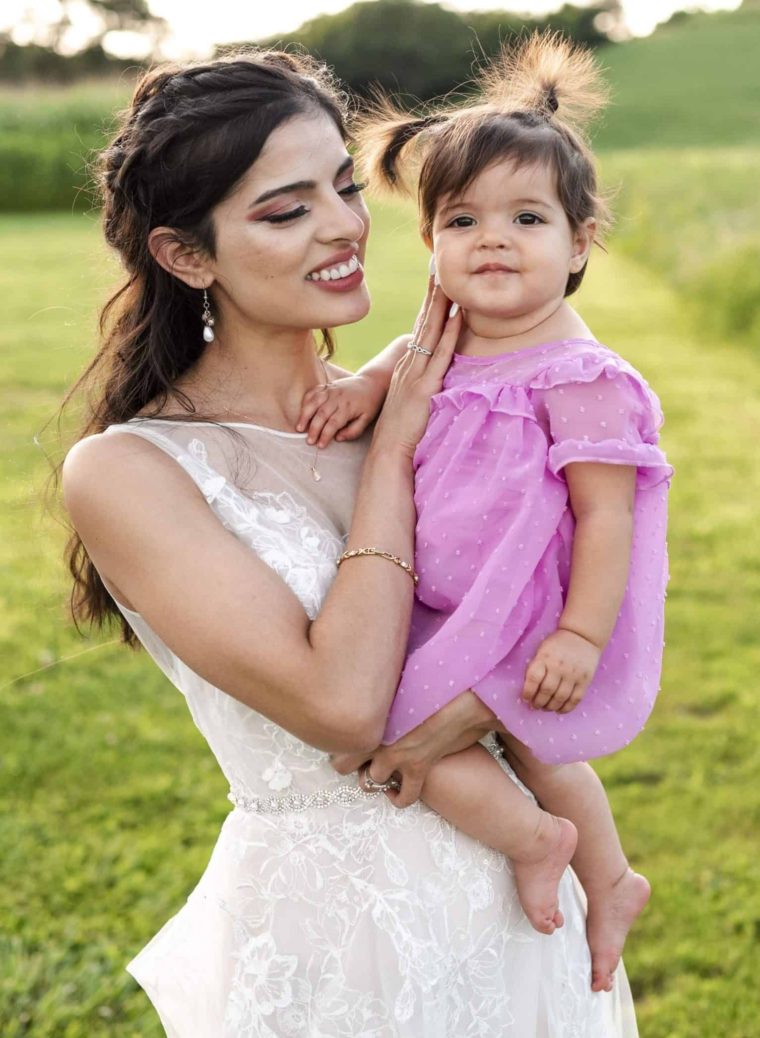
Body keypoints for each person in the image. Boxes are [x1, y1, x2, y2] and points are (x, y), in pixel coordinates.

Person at [60, 48, 638, 1035]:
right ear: (185, 254)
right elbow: (341, 703)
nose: (342, 227)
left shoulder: (439, 390)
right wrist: (392, 445)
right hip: (347, 944)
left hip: (523, 917)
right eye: (284, 211)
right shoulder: (128, 471)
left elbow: (552, 581)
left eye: (341, 185)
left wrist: (502, 694)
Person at [299, 33, 673, 994]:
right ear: (430, 245)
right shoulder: (441, 338)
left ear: (580, 240)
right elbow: (399, 362)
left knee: (474, 739)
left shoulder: (581, 376)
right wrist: (361, 391)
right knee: (411, 719)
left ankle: (551, 844)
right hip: (442, 596)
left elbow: (608, 520)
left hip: (528, 611)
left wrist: (582, 636)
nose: (492, 238)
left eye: (527, 217)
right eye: (461, 220)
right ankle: (610, 873)